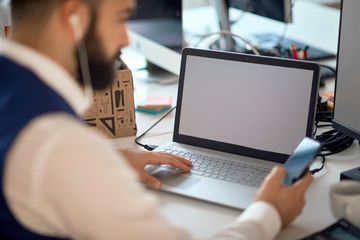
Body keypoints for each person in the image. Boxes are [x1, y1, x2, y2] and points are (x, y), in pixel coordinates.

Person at [0, 0, 313, 239]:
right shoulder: (59, 147)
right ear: (73, 17)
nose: (125, 39)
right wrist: (268, 212)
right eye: (121, 17)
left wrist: (110, 157)